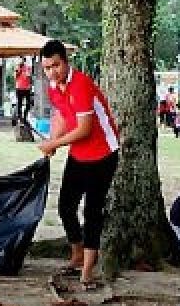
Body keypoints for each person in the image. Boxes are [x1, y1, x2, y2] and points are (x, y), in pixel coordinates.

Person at [36, 39, 120, 291]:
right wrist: (52, 141)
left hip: (104, 153)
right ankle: (77, 253)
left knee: (93, 211)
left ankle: (87, 272)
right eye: (48, 68)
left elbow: (84, 129)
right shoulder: (54, 87)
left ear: (66, 61)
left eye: (56, 65)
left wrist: (57, 144)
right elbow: (61, 115)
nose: (53, 72)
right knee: (65, 206)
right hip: (79, 153)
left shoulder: (81, 84)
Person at [14, 59, 33, 124]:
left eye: (23, 60)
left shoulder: (28, 68)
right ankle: (19, 117)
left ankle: (25, 117)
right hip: (19, 88)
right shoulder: (18, 68)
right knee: (19, 104)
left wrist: (30, 84)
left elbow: (29, 77)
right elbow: (15, 76)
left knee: (28, 104)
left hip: (27, 89)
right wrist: (18, 70)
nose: (22, 62)